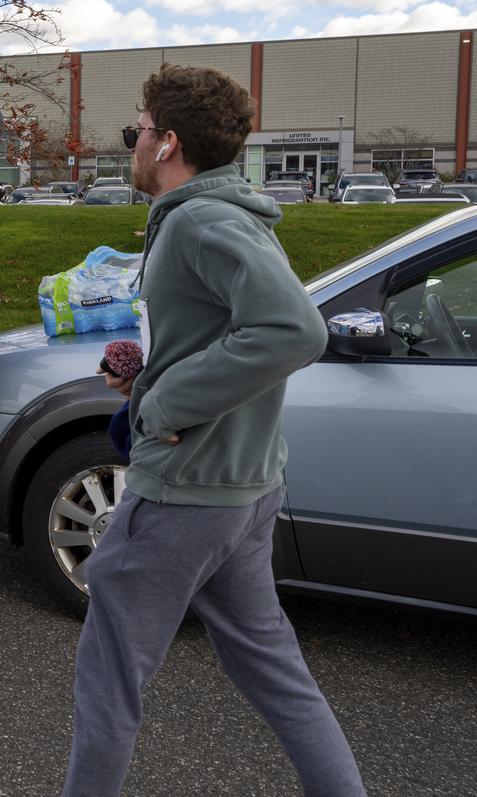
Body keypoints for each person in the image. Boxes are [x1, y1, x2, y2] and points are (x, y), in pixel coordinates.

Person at [60, 63, 364, 796]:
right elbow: (230, 333)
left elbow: (293, 331)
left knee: (107, 686)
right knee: (274, 671)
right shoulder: (218, 214)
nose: (130, 139)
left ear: (167, 143)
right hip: (244, 489)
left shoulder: (201, 218)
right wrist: (151, 375)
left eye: (138, 126)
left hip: (185, 495)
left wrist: (161, 407)